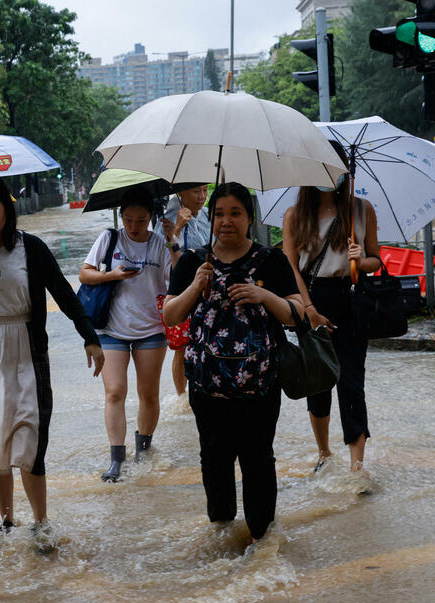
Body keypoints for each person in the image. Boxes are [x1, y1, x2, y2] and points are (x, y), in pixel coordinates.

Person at [0, 177, 104, 550]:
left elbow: (64, 293)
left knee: (31, 438)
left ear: (7, 209)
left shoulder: (30, 248)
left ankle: (41, 522)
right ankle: (6, 521)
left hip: (27, 350)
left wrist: (90, 336)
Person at [163, 182, 301, 544]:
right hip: (207, 389)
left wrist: (263, 294)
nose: (226, 221)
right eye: (220, 213)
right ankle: (221, 538)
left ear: (249, 218)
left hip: (260, 388)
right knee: (214, 461)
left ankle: (262, 542)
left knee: (258, 461)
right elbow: (171, 315)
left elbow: (295, 313)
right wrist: (195, 286)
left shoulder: (272, 261)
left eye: (235, 213)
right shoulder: (195, 261)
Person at [282, 141, 380, 474]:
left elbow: (376, 261)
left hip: (350, 300)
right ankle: (323, 453)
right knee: (319, 382)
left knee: (352, 383)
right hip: (311, 300)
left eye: (334, 168)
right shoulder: (295, 216)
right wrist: (308, 309)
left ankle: (357, 465)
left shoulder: (361, 210)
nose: (328, 175)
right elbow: (290, 267)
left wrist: (361, 260)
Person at [79, 186, 180, 482]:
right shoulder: (109, 238)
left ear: (151, 217)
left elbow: (179, 277)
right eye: (129, 219)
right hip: (111, 329)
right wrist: (112, 275)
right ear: (121, 216)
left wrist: (173, 239)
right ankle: (116, 460)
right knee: (114, 392)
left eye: (141, 220)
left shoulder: (161, 244)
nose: (134, 227)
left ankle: (143, 451)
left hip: (151, 329)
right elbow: (85, 273)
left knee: (148, 393)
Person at [160, 184, 209, 398]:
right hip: (180, 290)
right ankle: (182, 397)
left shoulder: (210, 216)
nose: (201, 196)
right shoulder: (166, 219)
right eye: (195, 191)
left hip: (208, 286)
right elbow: (161, 260)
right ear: (181, 193)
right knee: (181, 346)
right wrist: (177, 229)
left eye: (205, 190)